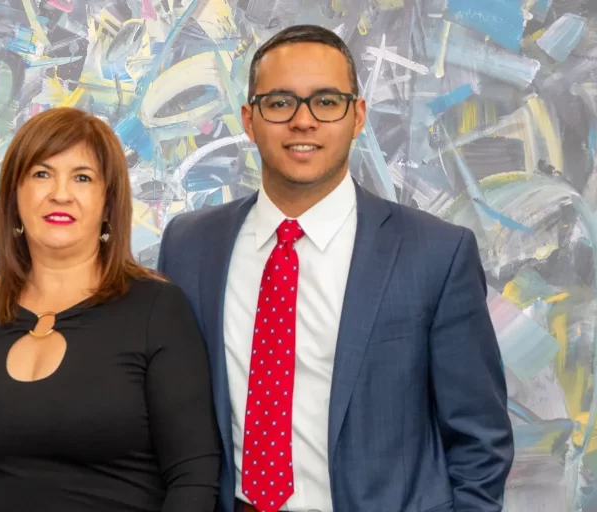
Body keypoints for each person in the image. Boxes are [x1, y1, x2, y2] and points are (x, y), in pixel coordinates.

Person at [157, 24, 514, 512]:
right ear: (248, 119)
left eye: (326, 101)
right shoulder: (190, 245)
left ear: (358, 115)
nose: (303, 121)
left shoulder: (435, 254)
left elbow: (480, 440)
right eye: (280, 102)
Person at [0, 107, 221, 512]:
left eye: (82, 177)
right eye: (42, 174)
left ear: (109, 202)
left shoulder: (157, 310)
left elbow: (194, 479)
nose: (60, 193)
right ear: (14, 196)